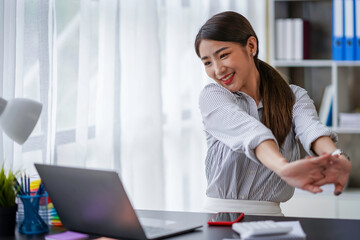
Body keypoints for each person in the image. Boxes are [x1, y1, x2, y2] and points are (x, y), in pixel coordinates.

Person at [194, 11, 352, 216]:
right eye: (207, 62)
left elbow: (311, 129)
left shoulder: (294, 96)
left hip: (271, 221)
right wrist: (283, 168)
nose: (217, 69)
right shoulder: (213, 96)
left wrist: (336, 156)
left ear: (251, 46)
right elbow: (251, 133)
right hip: (219, 219)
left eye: (223, 55)